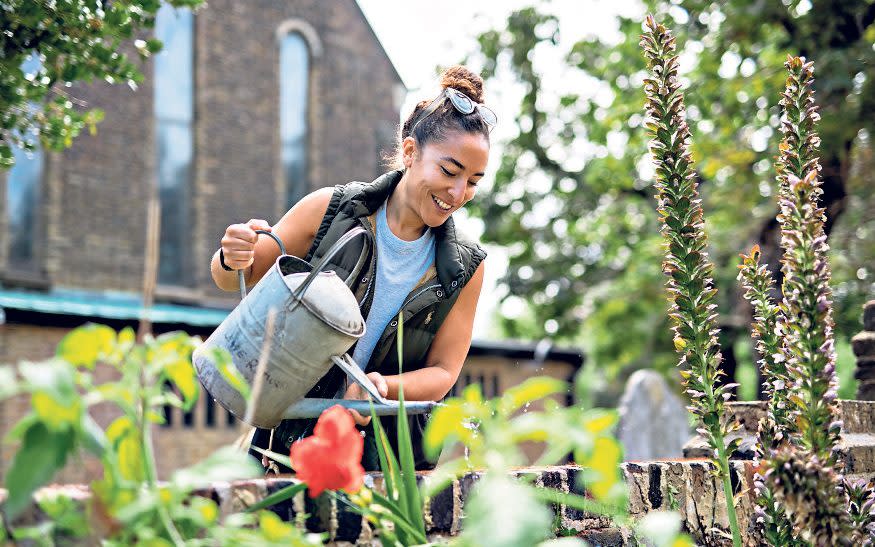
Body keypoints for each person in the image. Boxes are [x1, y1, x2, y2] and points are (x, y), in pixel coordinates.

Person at [209, 65, 495, 471]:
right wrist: (232, 254)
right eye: (449, 171)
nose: (457, 192)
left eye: (473, 182)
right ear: (410, 152)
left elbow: (444, 371)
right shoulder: (330, 210)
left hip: (392, 460)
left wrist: (382, 387)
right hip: (292, 440)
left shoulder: (465, 266)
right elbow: (238, 275)